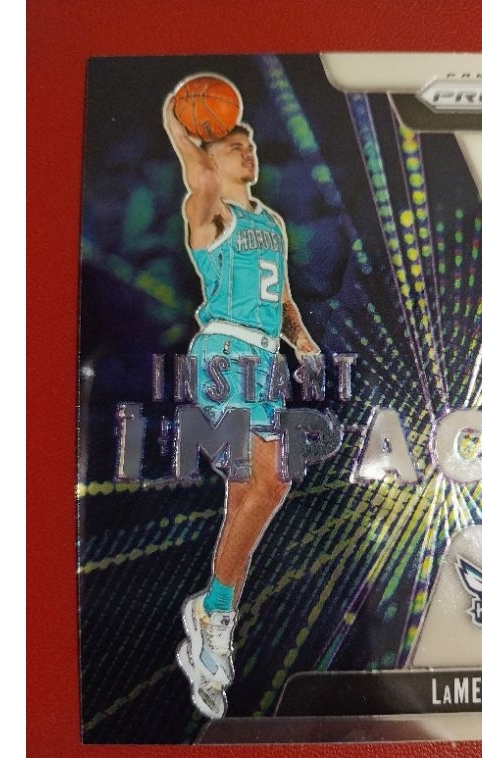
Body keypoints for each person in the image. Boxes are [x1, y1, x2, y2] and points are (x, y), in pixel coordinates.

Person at [163, 85, 319, 720]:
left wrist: (301, 339)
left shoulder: (270, 223)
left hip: (266, 361)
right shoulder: (209, 213)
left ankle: (210, 634)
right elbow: (197, 171)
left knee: (246, 499)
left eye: (250, 143)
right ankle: (214, 611)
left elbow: (282, 298)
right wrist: (180, 125)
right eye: (234, 145)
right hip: (224, 353)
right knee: (272, 480)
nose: (248, 150)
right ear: (211, 158)